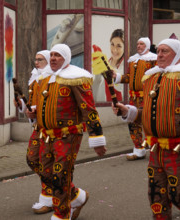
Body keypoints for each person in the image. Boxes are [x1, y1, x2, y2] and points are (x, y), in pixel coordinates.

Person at [112, 38, 180, 219]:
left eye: (165, 51)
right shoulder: (152, 76)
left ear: (176, 53)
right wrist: (128, 112)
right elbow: (148, 112)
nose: (159, 54)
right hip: (155, 149)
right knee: (156, 196)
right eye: (158, 50)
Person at [26, 44, 107, 220]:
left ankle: (62, 214)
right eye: (52, 55)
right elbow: (43, 105)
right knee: (46, 173)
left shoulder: (76, 78)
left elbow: (89, 109)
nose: (53, 58)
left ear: (66, 58)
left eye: (58, 56)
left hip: (68, 135)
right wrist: (33, 112)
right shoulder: (45, 78)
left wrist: (97, 139)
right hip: (45, 135)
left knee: (60, 175)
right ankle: (77, 196)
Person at [15, 50, 54, 214]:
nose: (36, 62)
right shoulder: (34, 79)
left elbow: (52, 104)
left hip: (51, 129)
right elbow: (31, 104)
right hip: (38, 127)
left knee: (46, 164)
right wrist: (23, 107)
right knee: (32, 159)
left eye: (40, 59)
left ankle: (49, 197)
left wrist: (35, 111)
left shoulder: (52, 79)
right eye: (35, 59)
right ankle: (56, 185)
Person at [114, 37, 157, 161]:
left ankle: (154, 147)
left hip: (148, 97)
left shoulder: (154, 59)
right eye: (138, 44)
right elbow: (128, 77)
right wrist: (116, 76)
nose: (138, 46)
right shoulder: (132, 60)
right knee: (132, 123)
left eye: (141, 44)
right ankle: (138, 150)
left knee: (148, 123)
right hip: (133, 97)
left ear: (147, 46)